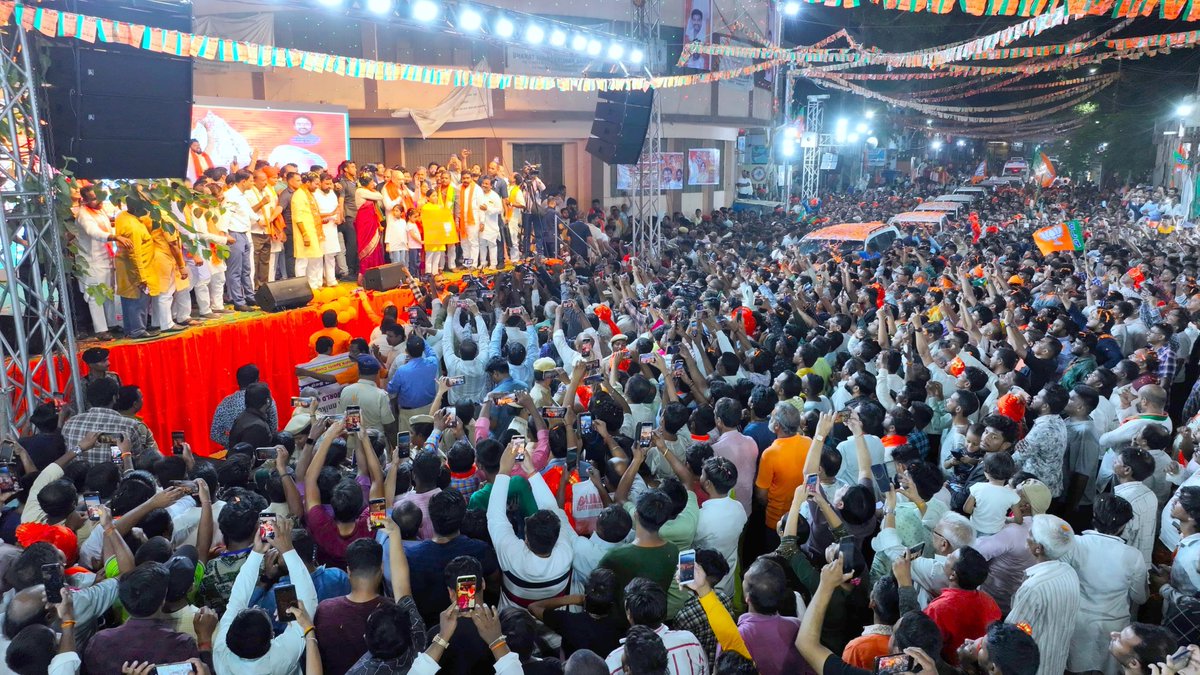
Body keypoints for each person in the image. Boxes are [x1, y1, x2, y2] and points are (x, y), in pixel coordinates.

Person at [1007, 514, 1081, 675]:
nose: (1027, 535)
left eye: (1031, 534)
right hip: (1056, 661)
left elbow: (1014, 632)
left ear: (1038, 548)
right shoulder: (1069, 572)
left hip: (1035, 666)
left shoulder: (1034, 588)